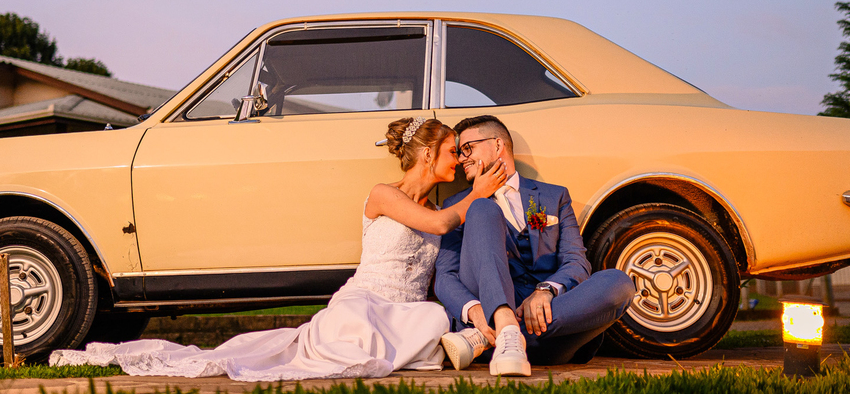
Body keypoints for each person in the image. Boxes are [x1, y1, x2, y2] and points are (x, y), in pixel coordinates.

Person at [49, 115, 508, 381]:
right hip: (365, 300)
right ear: (428, 154)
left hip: (407, 308)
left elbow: (447, 235)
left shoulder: (448, 203)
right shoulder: (384, 194)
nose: (460, 160)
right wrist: (479, 193)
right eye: (453, 151)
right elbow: (440, 223)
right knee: (354, 325)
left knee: (430, 317)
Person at [435, 115, 635, 376]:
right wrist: (475, 312)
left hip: (552, 328)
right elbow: (445, 277)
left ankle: (494, 337)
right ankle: (503, 327)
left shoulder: (554, 196)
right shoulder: (456, 205)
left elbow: (576, 262)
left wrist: (545, 291)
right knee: (482, 207)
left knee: (619, 283)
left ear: (498, 145)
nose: (461, 159)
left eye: (467, 149)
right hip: (489, 309)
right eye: (459, 152)